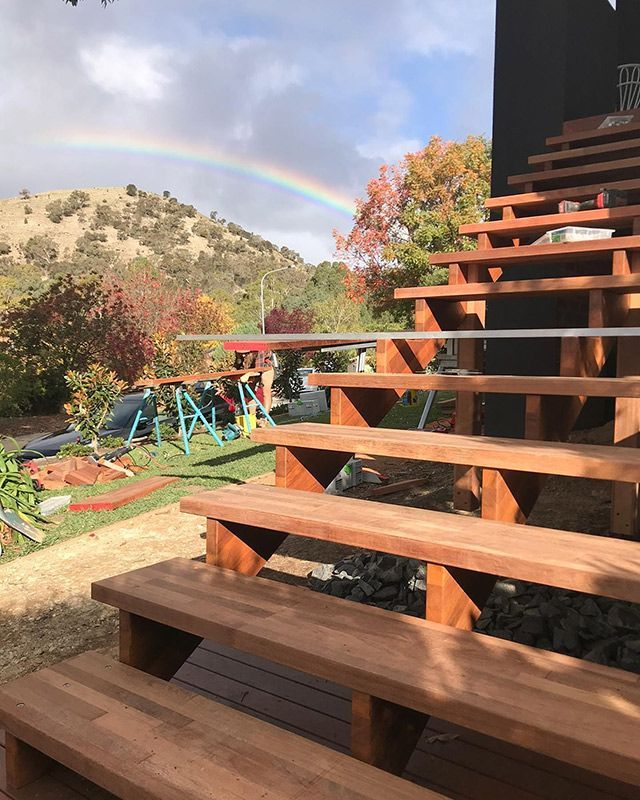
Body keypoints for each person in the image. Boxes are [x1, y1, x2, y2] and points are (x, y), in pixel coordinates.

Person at [233, 348, 275, 422]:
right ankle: (253, 418)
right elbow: (237, 364)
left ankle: (264, 418)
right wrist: (233, 372)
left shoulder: (260, 350)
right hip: (252, 366)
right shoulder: (239, 352)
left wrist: (247, 375)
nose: (243, 355)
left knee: (266, 392)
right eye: (241, 353)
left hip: (266, 366)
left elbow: (258, 369)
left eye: (245, 353)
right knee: (249, 393)